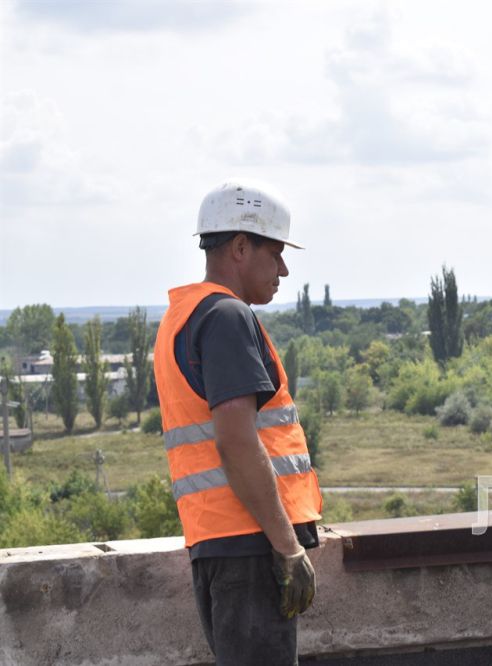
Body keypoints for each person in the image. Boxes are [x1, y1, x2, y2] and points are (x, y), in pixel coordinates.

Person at [153, 179, 323, 666]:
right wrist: (288, 548)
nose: (284, 270)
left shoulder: (184, 315)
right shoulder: (226, 316)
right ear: (242, 247)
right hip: (249, 548)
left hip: (221, 544)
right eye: (276, 253)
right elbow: (237, 443)